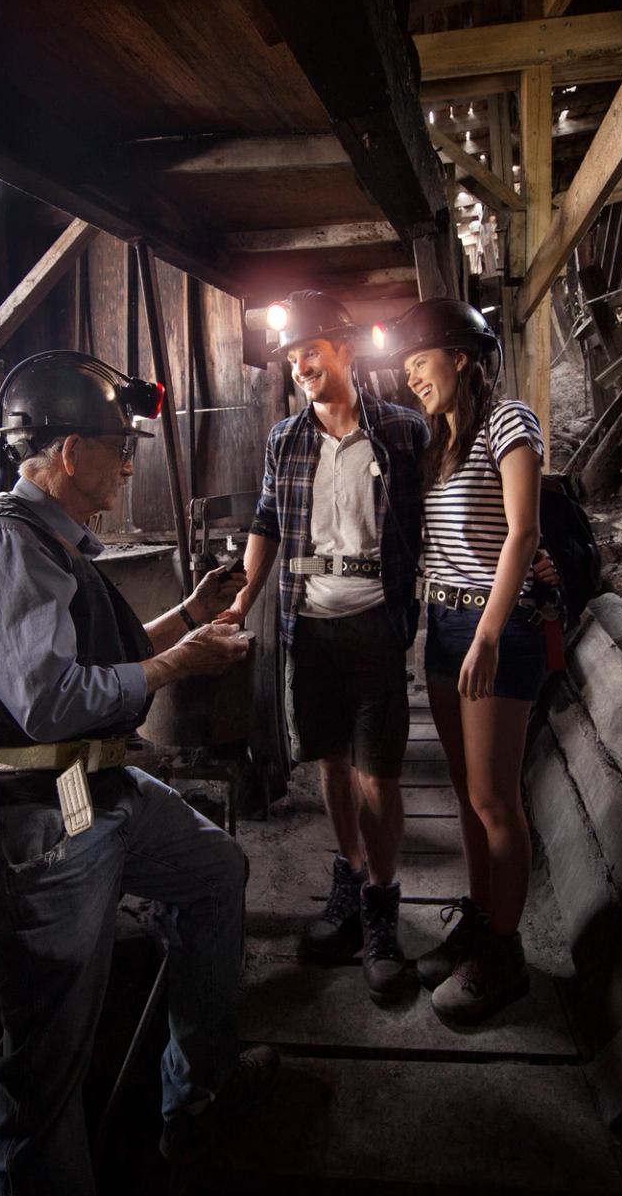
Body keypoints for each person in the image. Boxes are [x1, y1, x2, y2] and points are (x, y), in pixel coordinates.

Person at [0, 350, 277, 1193]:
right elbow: (49, 701)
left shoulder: (52, 539)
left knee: (214, 871)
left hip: (82, 788)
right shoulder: (9, 547)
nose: (129, 460)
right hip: (33, 813)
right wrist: (179, 665)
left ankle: (196, 1097)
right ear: (69, 453)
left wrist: (189, 617)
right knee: (49, 1041)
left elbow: (98, 658)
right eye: (121, 443)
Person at [216, 290, 427, 999]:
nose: (300, 364)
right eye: (292, 355)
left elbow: (442, 508)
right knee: (331, 764)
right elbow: (268, 522)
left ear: (344, 349)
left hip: (374, 623)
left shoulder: (402, 430)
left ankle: (383, 912)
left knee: (380, 775)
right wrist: (242, 599)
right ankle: (349, 880)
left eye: (311, 350)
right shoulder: (286, 438)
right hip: (309, 624)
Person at [382, 299, 553, 1025]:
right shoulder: (438, 440)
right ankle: (481, 921)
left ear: (458, 355)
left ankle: (506, 954)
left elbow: (523, 533)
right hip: (444, 623)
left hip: (495, 625)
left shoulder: (509, 421)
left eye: (419, 361)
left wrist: (487, 632)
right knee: (463, 791)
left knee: (493, 799)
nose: (410, 376)